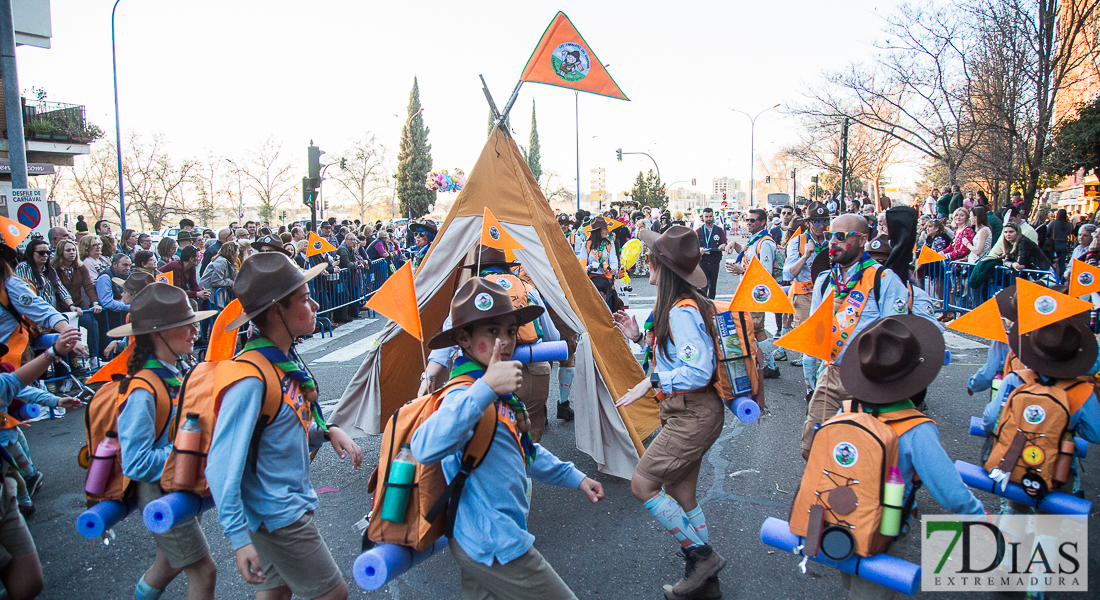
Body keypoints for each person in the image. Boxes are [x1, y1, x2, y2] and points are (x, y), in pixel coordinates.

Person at [411, 277, 602, 600]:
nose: (506, 341)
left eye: (511, 331)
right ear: (463, 339)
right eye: (492, 331)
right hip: (495, 543)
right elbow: (424, 446)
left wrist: (573, 476)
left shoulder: (496, 397)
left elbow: (521, 450)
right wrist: (485, 387)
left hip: (479, 539)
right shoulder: (466, 392)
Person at [206, 253, 362, 600]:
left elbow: (281, 424)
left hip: (278, 508)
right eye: (305, 299)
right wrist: (238, 538)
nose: (316, 304)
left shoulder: (282, 361)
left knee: (275, 593)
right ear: (278, 310)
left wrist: (326, 431)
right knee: (333, 593)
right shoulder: (251, 377)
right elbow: (221, 464)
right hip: (277, 514)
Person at [833, 316, 984, 600]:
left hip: (840, 519)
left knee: (856, 587)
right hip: (884, 531)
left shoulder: (848, 409)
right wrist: (980, 520)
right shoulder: (916, 429)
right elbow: (950, 492)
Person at [612, 226, 726, 599]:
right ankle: (706, 583)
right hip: (688, 412)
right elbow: (683, 356)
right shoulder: (678, 308)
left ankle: (702, 557)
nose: (646, 263)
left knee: (643, 484)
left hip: (693, 414)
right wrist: (640, 339)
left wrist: (652, 380)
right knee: (681, 491)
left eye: (649, 259)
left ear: (662, 266)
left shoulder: (681, 311)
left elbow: (699, 368)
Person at [108, 284, 218, 600]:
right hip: (160, 492)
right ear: (159, 334)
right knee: (204, 571)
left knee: (167, 563)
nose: (196, 330)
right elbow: (136, 462)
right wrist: (189, 450)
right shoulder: (143, 388)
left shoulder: (176, 369)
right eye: (186, 324)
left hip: (179, 484)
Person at [800, 213, 910, 459]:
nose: (832, 243)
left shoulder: (884, 280)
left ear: (862, 241)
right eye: (830, 236)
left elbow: (898, 332)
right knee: (812, 447)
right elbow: (817, 328)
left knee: (858, 452)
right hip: (830, 374)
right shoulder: (824, 281)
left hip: (866, 378)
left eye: (841, 237)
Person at [0, 328, 81, 599]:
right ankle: (26, 500)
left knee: (30, 583)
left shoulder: (3, 378)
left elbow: (19, 387)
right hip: (6, 446)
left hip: (4, 472)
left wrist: (56, 397)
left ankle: (24, 497)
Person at [724, 207, 779, 378]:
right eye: (747, 220)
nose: (748, 223)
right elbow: (750, 256)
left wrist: (742, 270)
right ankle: (768, 364)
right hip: (749, 291)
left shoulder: (766, 243)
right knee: (757, 329)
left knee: (755, 329)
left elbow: (765, 273)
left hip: (757, 293)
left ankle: (768, 365)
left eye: (752, 220)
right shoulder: (756, 240)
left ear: (763, 222)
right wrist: (736, 245)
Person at [783, 202, 830, 393]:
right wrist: (805, 255)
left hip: (829, 295)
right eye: (816, 221)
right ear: (809, 223)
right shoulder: (798, 242)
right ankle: (811, 390)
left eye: (824, 221)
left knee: (830, 341)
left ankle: (823, 381)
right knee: (810, 344)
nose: (821, 225)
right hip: (804, 295)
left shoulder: (833, 240)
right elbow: (788, 274)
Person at [16, 240, 80, 314]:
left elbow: (60, 288)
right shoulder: (23, 267)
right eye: (41, 253)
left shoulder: (50, 269)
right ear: (31, 253)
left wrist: (71, 305)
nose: (45, 255)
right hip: (33, 313)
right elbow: (27, 293)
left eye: (47, 253)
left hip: (51, 312)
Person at [583, 217, 620, 312]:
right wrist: (588, 268)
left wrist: (614, 269)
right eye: (605, 229)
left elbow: (613, 259)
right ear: (599, 231)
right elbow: (582, 262)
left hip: (606, 279)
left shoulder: (609, 244)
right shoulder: (587, 244)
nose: (608, 231)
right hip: (592, 280)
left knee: (607, 305)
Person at [695, 208, 726, 300]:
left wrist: (723, 246)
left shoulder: (719, 231)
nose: (709, 218)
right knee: (703, 286)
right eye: (706, 217)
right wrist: (698, 249)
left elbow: (724, 243)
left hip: (714, 261)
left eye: (710, 216)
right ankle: (703, 305)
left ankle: (711, 305)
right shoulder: (698, 231)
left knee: (713, 286)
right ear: (703, 218)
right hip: (703, 262)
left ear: (713, 217)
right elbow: (693, 247)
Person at [1047, 208, 1073, 281]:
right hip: (1064, 245)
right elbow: (1068, 233)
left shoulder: (1053, 223)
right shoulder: (1068, 224)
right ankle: (1062, 280)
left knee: (1053, 263)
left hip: (1054, 245)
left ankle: (1054, 279)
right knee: (1062, 264)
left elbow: (1048, 232)